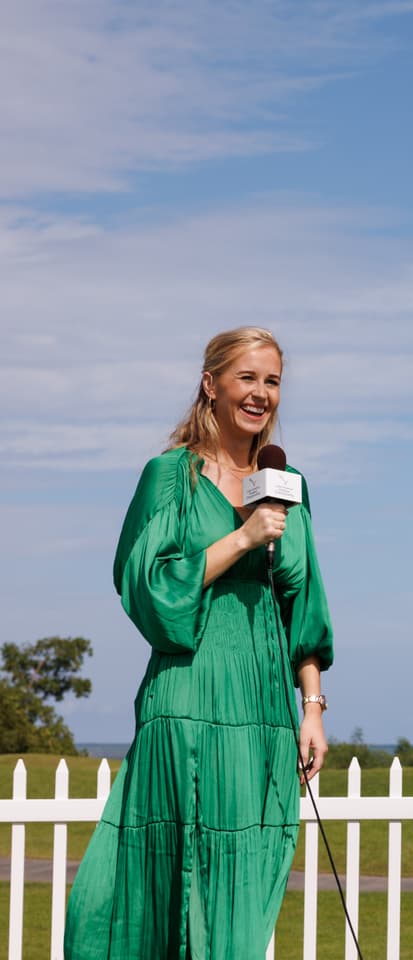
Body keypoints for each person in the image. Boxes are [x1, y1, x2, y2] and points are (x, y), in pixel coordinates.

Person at [66, 327, 334, 959]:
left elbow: (305, 602)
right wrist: (241, 538)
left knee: (239, 896)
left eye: (272, 382)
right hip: (187, 689)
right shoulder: (169, 477)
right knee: (168, 879)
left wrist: (313, 707)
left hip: (264, 707)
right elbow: (147, 586)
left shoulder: (287, 481)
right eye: (247, 378)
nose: (261, 394)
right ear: (211, 384)